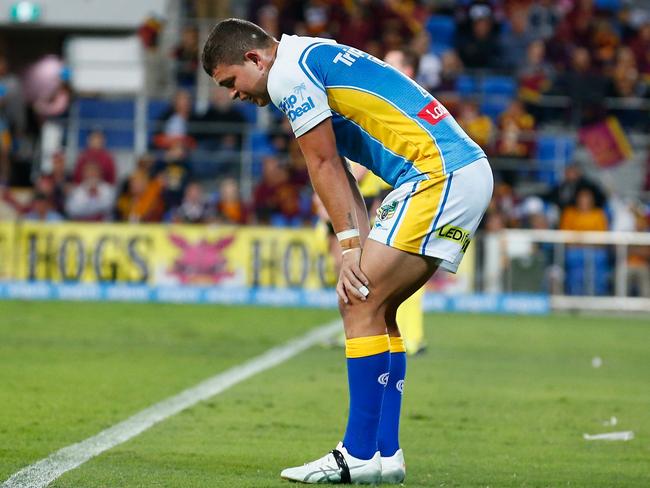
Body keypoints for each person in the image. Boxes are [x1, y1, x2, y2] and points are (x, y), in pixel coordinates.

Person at [202, 18, 493, 484]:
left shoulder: (289, 75)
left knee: (356, 297)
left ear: (255, 59)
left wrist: (350, 249)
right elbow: (340, 165)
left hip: (438, 175)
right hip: (461, 173)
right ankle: (384, 453)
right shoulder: (309, 55)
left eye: (231, 82)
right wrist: (356, 242)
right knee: (380, 306)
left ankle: (355, 453)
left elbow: (320, 163)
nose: (234, 94)